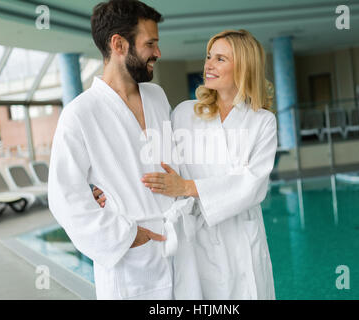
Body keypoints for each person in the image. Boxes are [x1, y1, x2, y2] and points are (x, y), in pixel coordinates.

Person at [94, 29, 278, 299]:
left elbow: (252, 185)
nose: (208, 65)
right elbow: (154, 161)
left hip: (242, 240)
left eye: (220, 59)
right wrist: (110, 190)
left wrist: (188, 187)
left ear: (244, 67)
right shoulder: (185, 114)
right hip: (198, 242)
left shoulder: (262, 121)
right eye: (208, 56)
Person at [48, 0, 202, 300]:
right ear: (118, 44)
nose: (158, 53)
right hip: (132, 260)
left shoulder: (156, 96)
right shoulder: (80, 114)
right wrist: (128, 237)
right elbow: (63, 196)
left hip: (179, 245)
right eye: (150, 43)